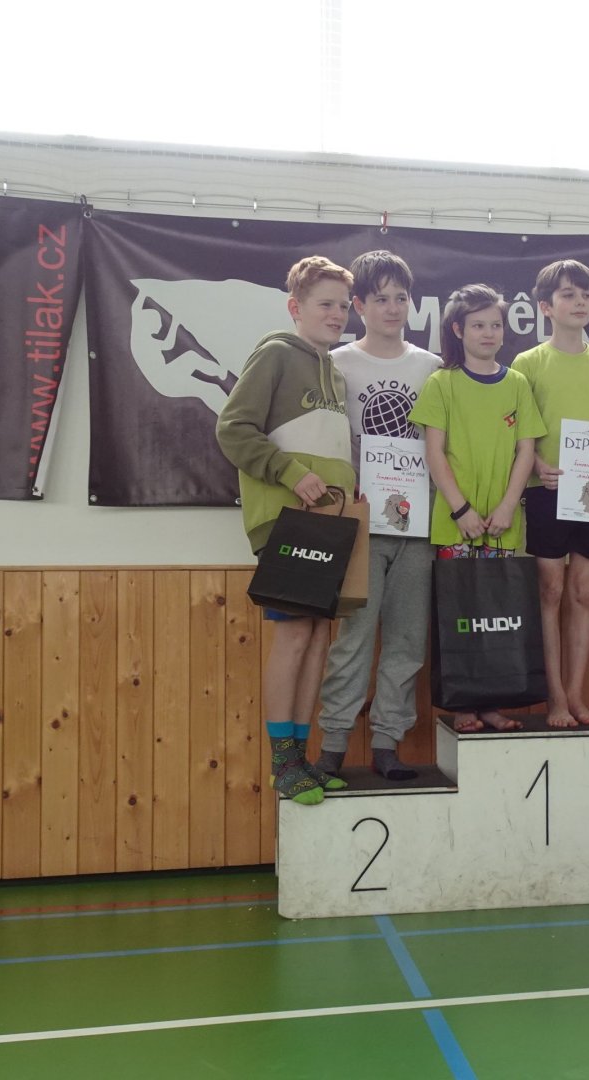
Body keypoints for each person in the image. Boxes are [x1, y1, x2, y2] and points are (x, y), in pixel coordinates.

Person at [216, 255, 356, 805]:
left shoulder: (337, 374)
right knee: (295, 634)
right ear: (296, 307)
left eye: (343, 306)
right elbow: (233, 430)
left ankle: (301, 758)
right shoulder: (275, 353)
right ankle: (283, 764)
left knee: (319, 636)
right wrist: (291, 474)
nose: (337, 314)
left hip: (331, 524)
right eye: (326, 304)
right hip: (286, 520)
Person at [315, 251, 441, 782]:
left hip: (417, 523)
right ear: (359, 305)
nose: (392, 308)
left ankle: (388, 743)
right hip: (360, 522)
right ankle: (333, 746)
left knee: (408, 640)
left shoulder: (431, 366)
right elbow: (324, 438)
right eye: (381, 298)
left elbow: (441, 446)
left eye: (401, 298)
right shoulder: (337, 363)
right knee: (354, 638)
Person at [410, 284, 545, 734]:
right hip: (457, 524)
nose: (489, 333)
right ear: (458, 330)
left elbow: (526, 451)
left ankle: (492, 704)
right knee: (462, 615)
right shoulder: (442, 383)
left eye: (495, 325)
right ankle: (463, 705)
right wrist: (461, 509)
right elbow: (434, 452)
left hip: (504, 524)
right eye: (478, 325)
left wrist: (507, 506)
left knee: (499, 616)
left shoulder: (517, 383)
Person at [512, 260, 589, 728]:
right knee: (551, 590)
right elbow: (519, 434)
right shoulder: (527, 364)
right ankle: (555, 698)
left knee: (584, 591)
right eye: (568, 294)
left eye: (585, 293)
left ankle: (577, 696)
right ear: (545, 307)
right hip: (547, 492)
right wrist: (537, 466)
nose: (580, 301)